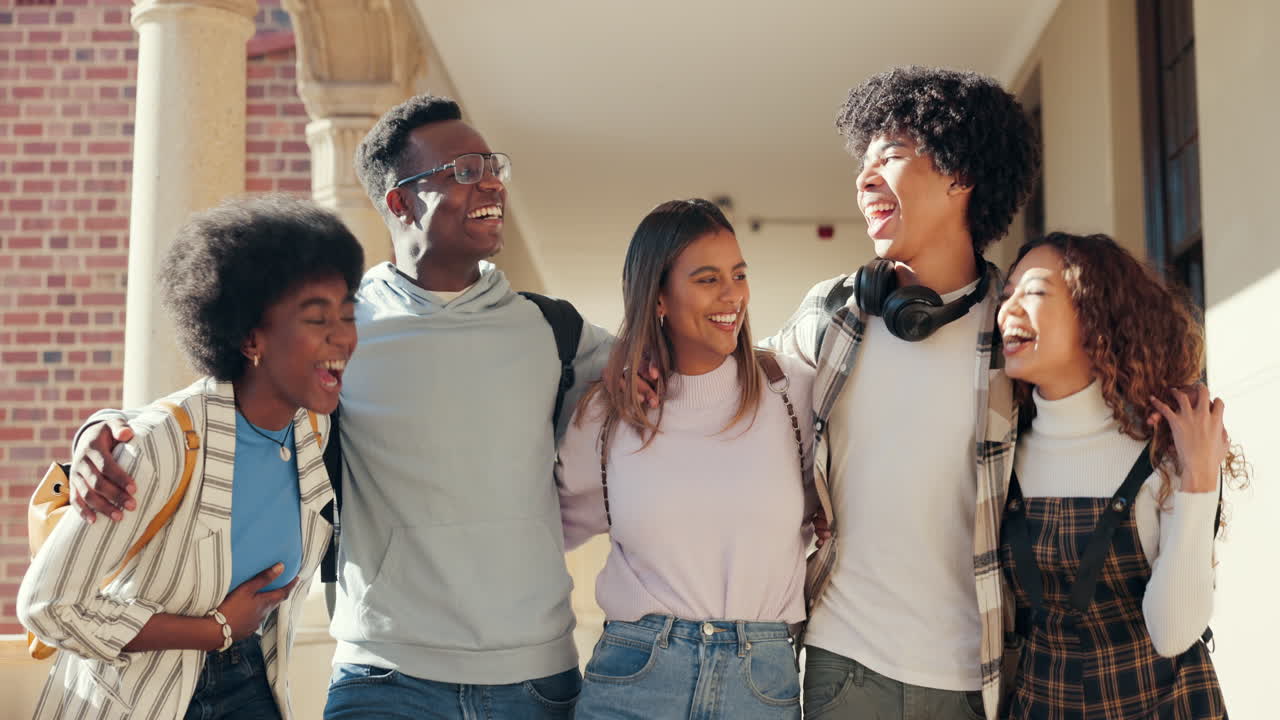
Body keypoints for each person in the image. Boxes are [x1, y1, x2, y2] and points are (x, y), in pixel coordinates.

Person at [66, 95, 614, 720]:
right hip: (385, 676)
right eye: (462, 170)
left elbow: (680, 365)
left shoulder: (551, 328)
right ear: (400, 202)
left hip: (536, 678)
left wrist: (755, 353)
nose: (489, 181)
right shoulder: (343, 326)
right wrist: (103, 428)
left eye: (492, 165)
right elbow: (224, 400)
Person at [759, 66, 1039, 720]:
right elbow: (744, 394)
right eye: (862, 160)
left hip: (978, 673)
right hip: (843, 662)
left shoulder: (1015, 327)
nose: (863, 179)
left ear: (960, 174)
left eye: (890, 154)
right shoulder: (833, 313)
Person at [18, 196, 364, 720]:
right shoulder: (162, 445)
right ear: (251, 338)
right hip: (139, 696)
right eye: (317, 319)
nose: (343, 336)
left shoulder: (313, 426)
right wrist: (214, 630)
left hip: (254, 682)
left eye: (347, 314)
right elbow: (47, 608)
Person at [558, 199, 817, 719]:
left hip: (760, 680)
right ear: (658, 297)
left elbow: (831, 506)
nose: (732, 295)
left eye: (738, 275)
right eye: (706, 279)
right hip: (637, 674)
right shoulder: (607, 414)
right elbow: (548, 527)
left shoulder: (792, 393)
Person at [996, 232, 1245, 719]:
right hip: (1038, 706)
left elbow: (1174, 634)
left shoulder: (1165, 451)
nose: (1009, 310)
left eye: (1035, 292)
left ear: (1095, 315)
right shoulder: (999, 456)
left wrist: (1198, 481)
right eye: (1006, 296)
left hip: (1168, 705)